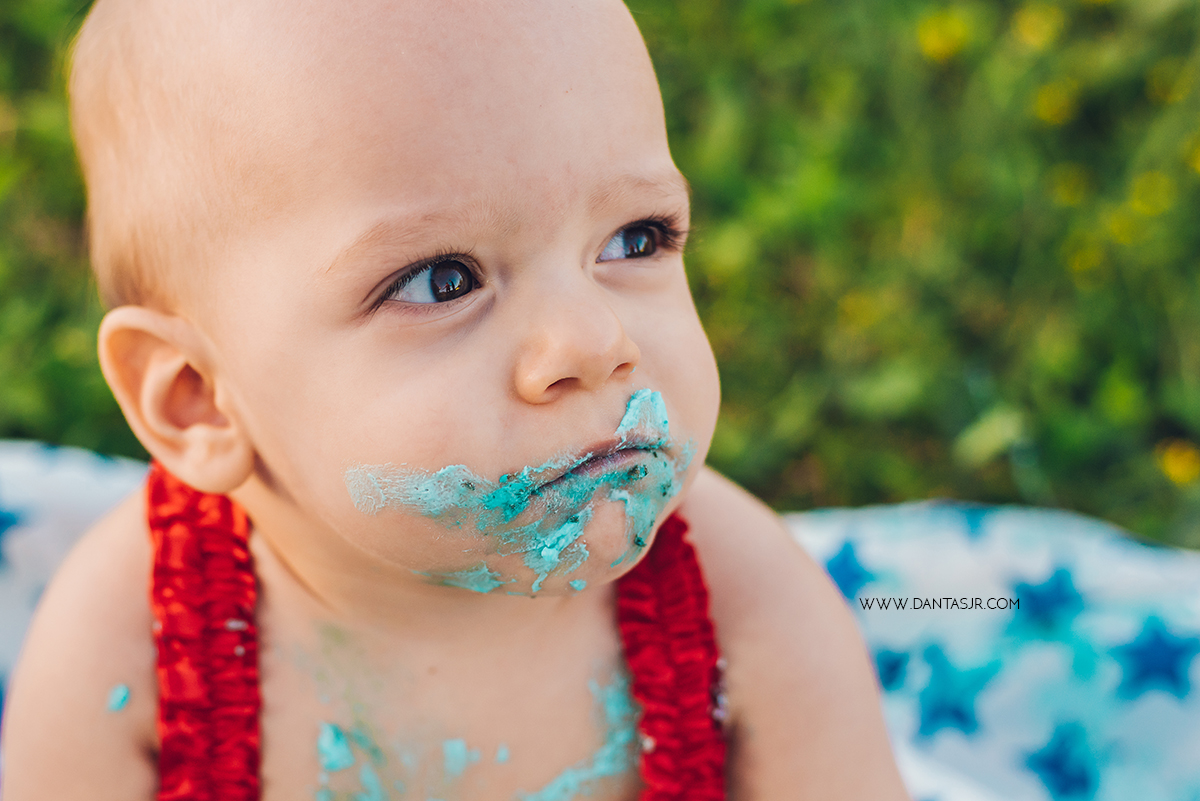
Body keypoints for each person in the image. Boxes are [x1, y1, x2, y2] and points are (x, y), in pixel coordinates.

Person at [1, 0, 910, 798]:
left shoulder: (745, 600)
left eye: (635, 238)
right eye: (444, 280)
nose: (596, 344)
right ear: (199, 399)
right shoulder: (131, 653)